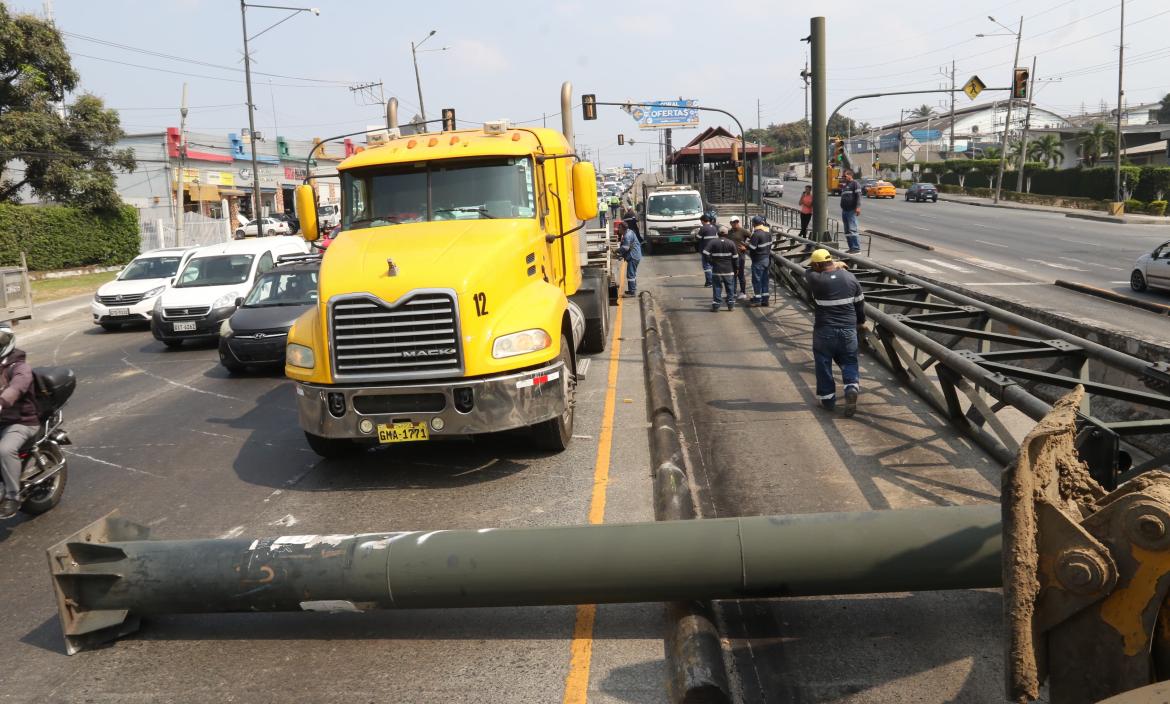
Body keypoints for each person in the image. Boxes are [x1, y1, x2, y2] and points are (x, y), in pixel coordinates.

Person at [804, 249, 865, 417]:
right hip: (848, 329)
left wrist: (832, 266)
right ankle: (851, 387)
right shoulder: (850, 277)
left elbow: (807, 271)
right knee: (850, 361)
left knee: (823, 363)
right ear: (831, 261)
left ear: (816, 265)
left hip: (824, 330)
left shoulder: (815, 279)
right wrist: (860, 322)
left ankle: (828, 399)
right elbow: (860, 304)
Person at [0, 328, 37, 518]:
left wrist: (2, 401)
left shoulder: (19, 367)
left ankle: (12, 496)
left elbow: (17, 387)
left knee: (4, 450)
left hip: (21, 421)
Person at [704, 225, 738, 311]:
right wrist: (736, 267)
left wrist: (711, 262)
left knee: (717, 287)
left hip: (717, 270)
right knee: (730, 288)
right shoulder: (731, 243)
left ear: (718, 233)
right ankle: (730, 305)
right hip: (729, 270)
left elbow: (705, 252)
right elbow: (735, 257)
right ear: (726, 234)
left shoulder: (713, 242)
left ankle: (716, 306)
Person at [746, 215, 773, 306]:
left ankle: (757, 299)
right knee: (765, 279)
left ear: (753, 223)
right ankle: (765, 300)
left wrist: (745, 246)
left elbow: (752, 248)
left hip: (758, 260)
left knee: (756, 280)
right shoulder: (768, 232)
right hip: (766, 258)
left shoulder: (756, 234)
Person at [726, 216, 750, 301]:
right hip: (731, 257)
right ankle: (733, 292)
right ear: (731, 223)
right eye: (734, 222)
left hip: (740, 256)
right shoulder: (729, 232)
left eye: (737, 221)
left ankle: (743, 292)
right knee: (732, 275)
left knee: (740, 274)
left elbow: (753, 239)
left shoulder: (743, 231)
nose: (735, 223)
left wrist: (746, 247)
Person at [616, 220, 642, 297]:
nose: (618, 229)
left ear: (623, 229)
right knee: (632, 273)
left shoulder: (627, 235)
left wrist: (617, 250)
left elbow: (626, 247)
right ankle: (633, 289)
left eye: (619, 228)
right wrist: (621, 255)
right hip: (635, 255)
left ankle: (632, 292)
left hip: (633, 256)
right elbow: (628, 247)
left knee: (630, 274)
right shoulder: (628, 232)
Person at [839, 169, 863, 253]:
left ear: (850, 175)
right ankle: (851, 247)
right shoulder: (845, 185)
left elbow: (858, 196)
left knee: (852, 229)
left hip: (851, 210)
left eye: (845, 176)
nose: (843, 177)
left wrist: (858, 207)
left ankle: (856, 248)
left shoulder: (855, 184)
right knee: (847, 230)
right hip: (844, 210)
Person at [696, 213, 718, 287]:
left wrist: (697, 233)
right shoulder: (714, 227)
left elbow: (698, 238)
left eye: (701, 221)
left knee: (706, 266)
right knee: (712, 265)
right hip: (714, 249)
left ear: (703, 221)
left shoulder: (703, 228)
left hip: (705, 250)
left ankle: (709, 282)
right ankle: (714, 281)